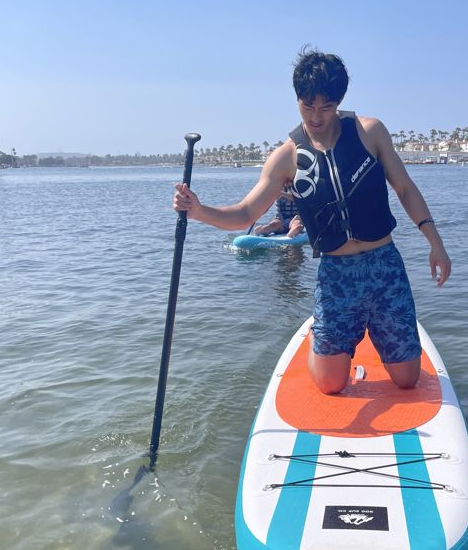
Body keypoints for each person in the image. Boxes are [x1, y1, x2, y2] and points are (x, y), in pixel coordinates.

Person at [173, 49, 451, 395]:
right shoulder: (286, 157)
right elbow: (244, 214)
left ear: (339, 101)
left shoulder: (370, 132)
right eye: (308, 106)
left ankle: (361, 336)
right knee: (330, 386)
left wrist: (435, 244)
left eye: (326, 107)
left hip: (384, 266)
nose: (316, 116)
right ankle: (322, 341)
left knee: (407, 380)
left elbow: (405, 188)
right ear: (297, 99)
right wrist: (198, 211)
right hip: (335, 273)